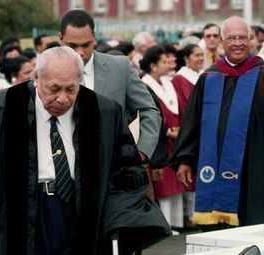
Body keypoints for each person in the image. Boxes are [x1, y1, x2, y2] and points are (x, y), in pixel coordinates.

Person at [0, 46, 171, 254]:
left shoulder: (104, 112)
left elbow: (124, 177)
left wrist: (120, 222)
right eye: (54, 88)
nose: (62, 99)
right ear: (36, 78)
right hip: (18, 215)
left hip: (80, 210)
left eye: (71, 89)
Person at [171, 16, 264, 227]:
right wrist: (185, 159)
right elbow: (193, 121)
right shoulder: (210, 77)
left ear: (251, 40)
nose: (238, 43)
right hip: (217, 162)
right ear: (222, 42)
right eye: (232, 38)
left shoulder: (261, 74)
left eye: (243, 37)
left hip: (255, 164)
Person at [58, 9, 161, 164]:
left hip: (113, 169)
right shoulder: (46, 71)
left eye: (86, 45)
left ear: (94, 38)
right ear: (61, 39)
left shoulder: (119, 67)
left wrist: (141, 151)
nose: (80, 52)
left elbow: (149, 109)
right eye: (72, 46)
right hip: (63, 169)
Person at [139, 45, 184, 231]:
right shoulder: (145, 85)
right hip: (160, 141)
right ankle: (164, 225)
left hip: (176, 141)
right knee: (163, 185)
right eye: (164, 61)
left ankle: (177, 222)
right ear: (153, 66)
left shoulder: (169, 82)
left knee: (175, 183)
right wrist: (166, 130)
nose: (168, 63)